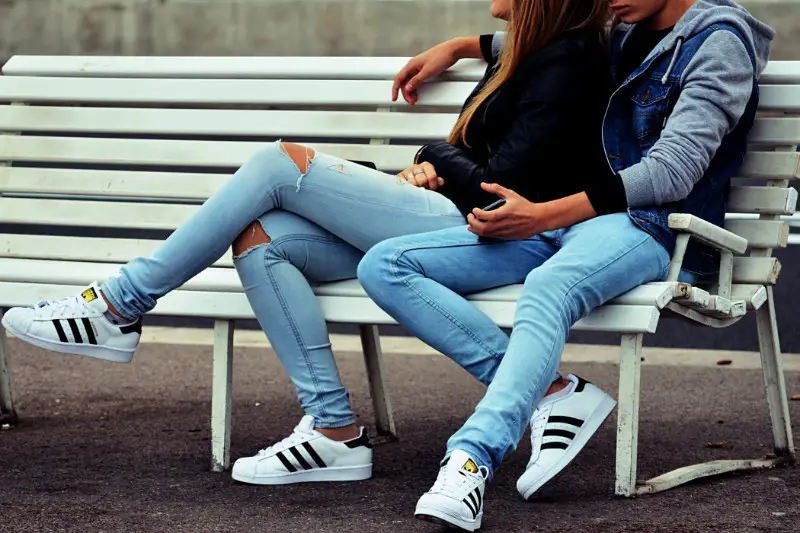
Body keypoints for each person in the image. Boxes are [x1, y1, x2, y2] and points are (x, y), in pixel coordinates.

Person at [2, 0, 612, 487]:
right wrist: (459, 46)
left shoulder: (568, 60)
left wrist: (431, 157)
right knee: (264, 240)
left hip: (486, 230)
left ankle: (118, 304)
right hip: (448, 217)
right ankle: (334, 433)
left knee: (279, 164)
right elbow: (521, 51)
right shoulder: (538, 48)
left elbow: (501, 185)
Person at [357, 0, 772, 530]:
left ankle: (471, 458)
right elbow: (543, 43)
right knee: (386, 265)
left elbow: (674, 170)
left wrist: (542, 215)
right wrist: (460, 47)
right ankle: (554, 393)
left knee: (549, 287)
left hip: (654, 229)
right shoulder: (624, 30)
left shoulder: (718, 43)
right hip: (568, 221)